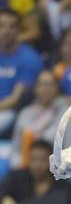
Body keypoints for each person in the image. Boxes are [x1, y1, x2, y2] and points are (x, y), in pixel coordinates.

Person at [0, 8, 43, 137]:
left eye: (12, 26)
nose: (6, 31)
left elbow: (15, 99)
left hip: (10, 111)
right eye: (1, 25)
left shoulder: (30, 58)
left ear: (19, 30)